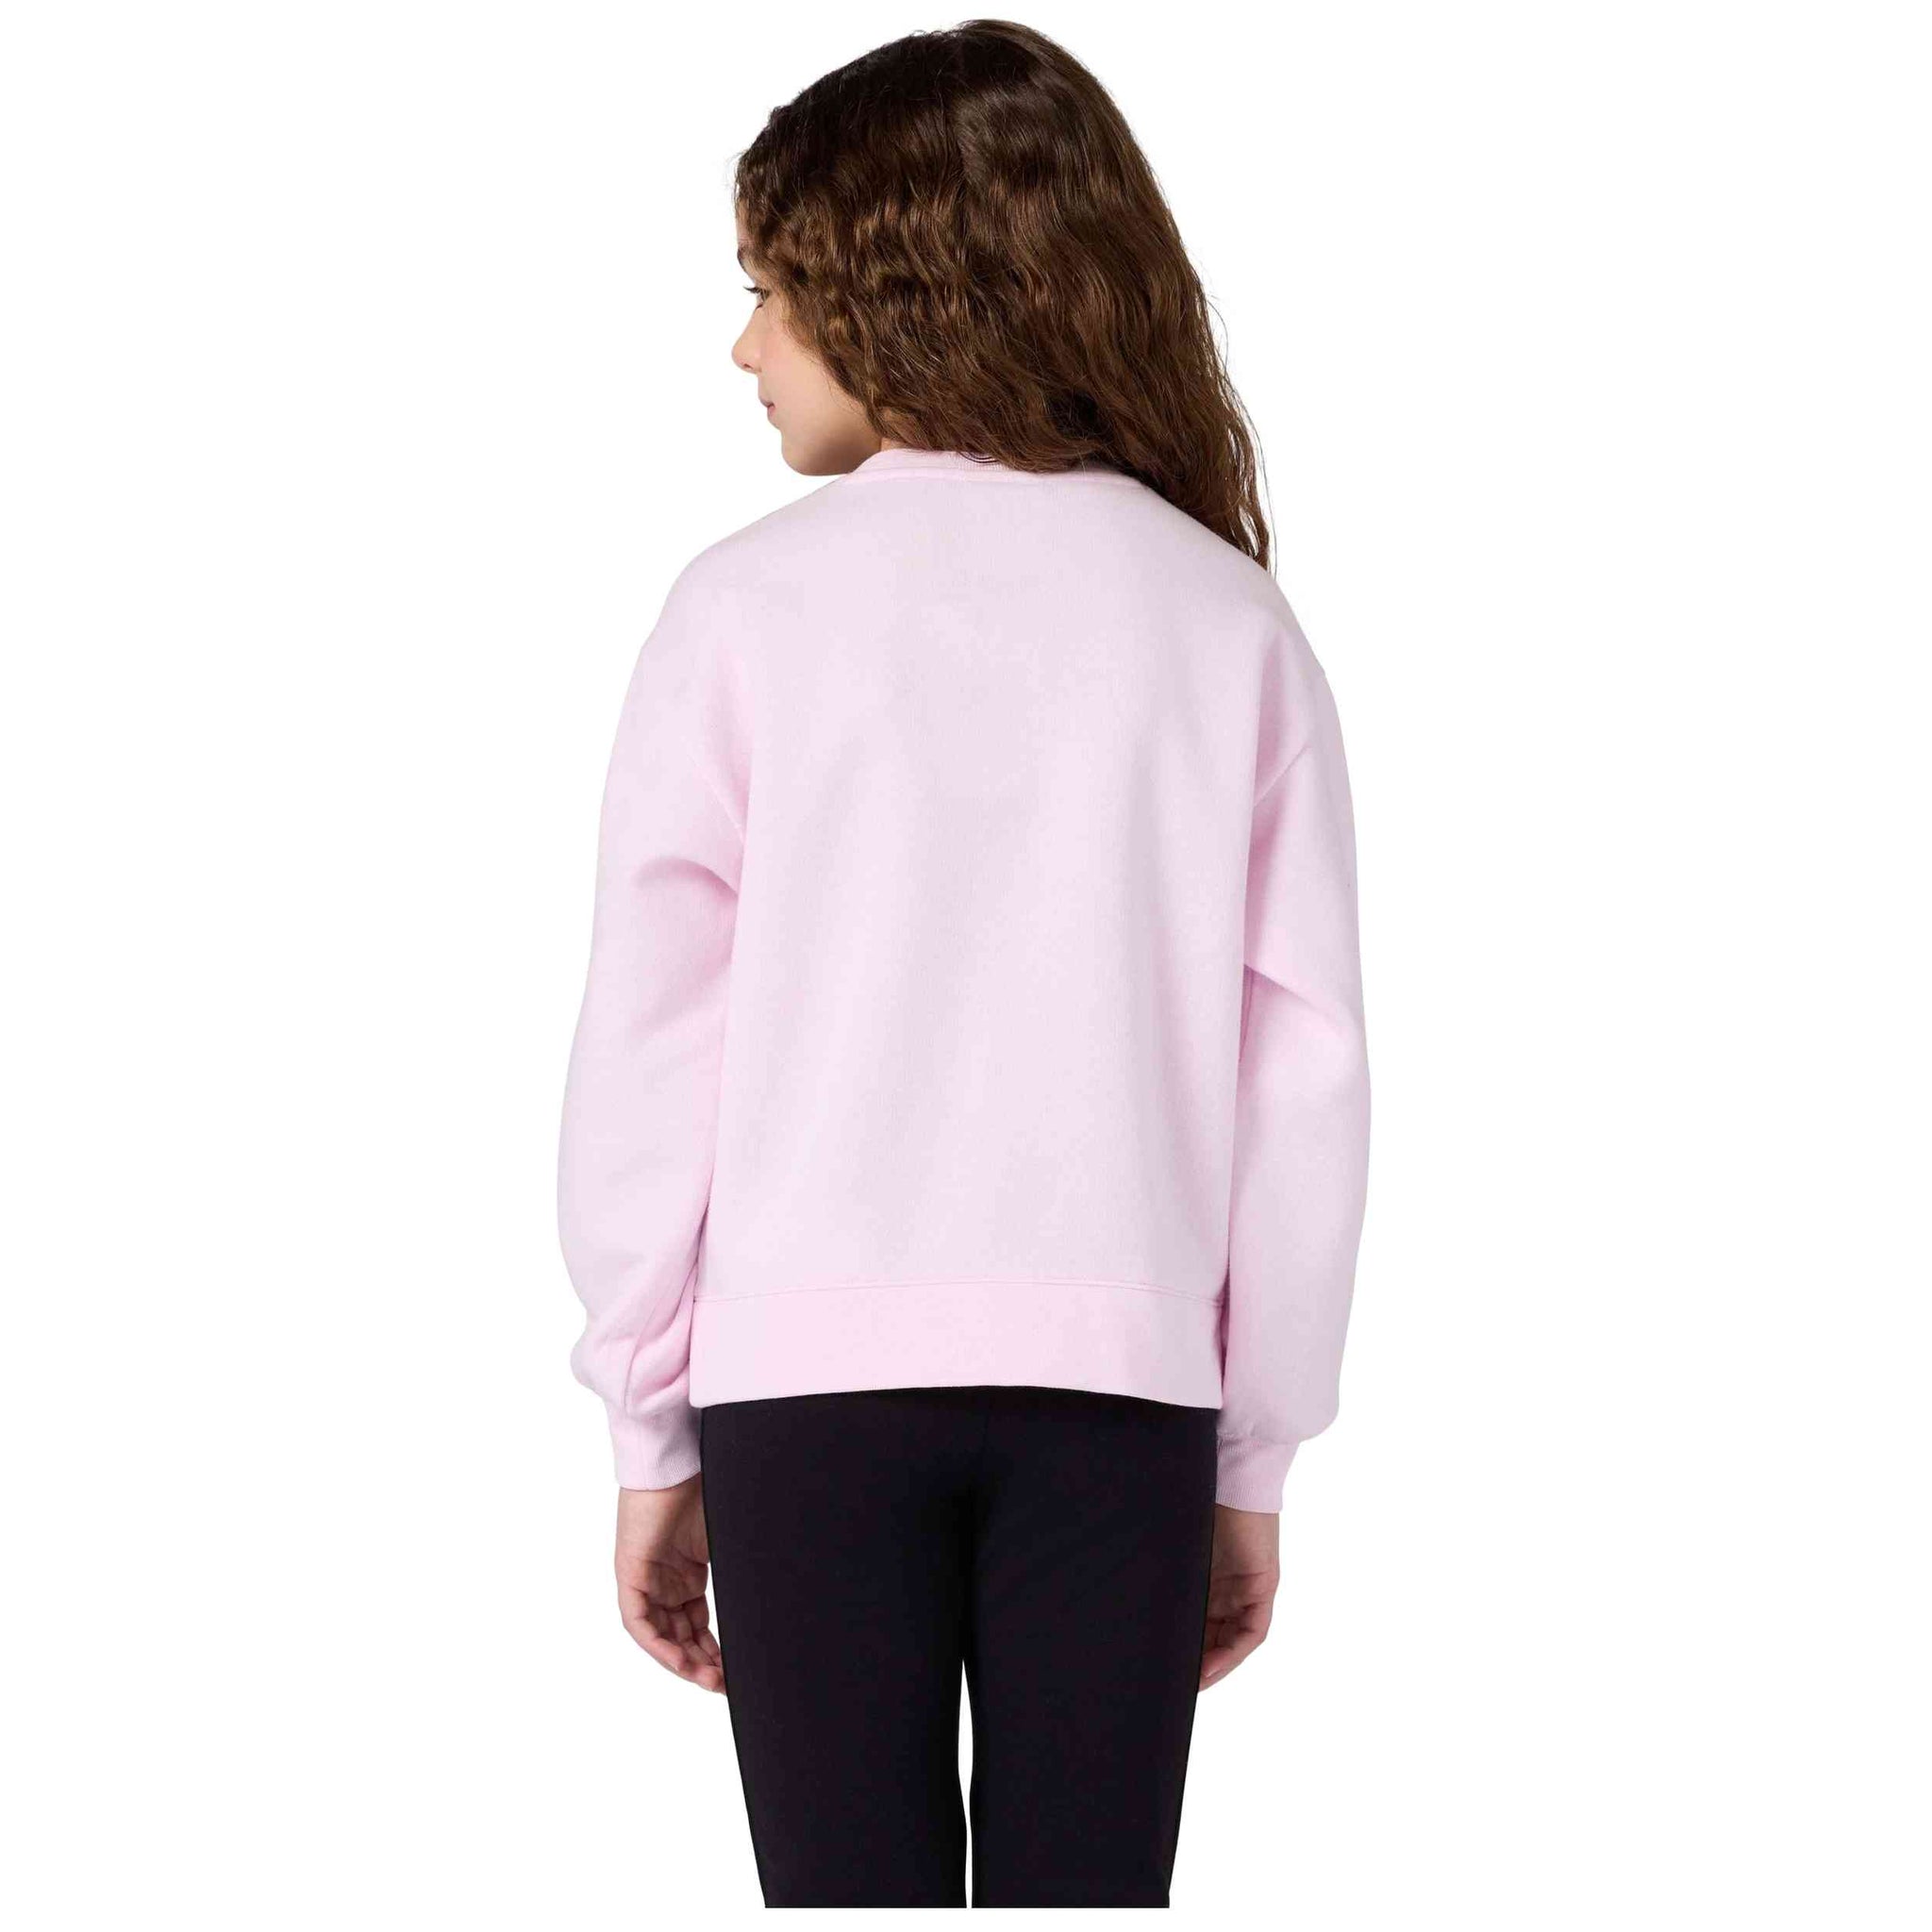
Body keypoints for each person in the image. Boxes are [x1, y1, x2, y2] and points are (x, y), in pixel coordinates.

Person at [557, 19, 1371, 1909]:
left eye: (766, 291)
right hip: (1126, 1402)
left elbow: (652, 1045)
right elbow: (1302, 1074)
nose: (745, 349)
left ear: (895, 284)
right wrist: (1252, 1452)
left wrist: (648, 1416)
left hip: (800, 1401)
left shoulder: (740, 612)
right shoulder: (1224, 620)